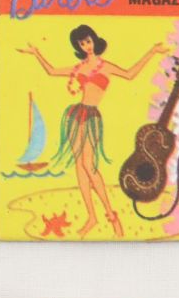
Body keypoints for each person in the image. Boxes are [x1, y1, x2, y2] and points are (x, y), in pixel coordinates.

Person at [18, 25, 167, 237]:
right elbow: (51, 71)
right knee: (80, 166)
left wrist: (152, 52)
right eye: (82, 43)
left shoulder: (106, 66)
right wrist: (36, 53)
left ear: (94, 40)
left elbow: (130, 74)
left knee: (88, 165)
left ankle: (111, 215)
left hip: (91, 117)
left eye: (88, 41)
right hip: (75, 116)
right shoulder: (78, 67)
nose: (86, 46)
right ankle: (92, 217)